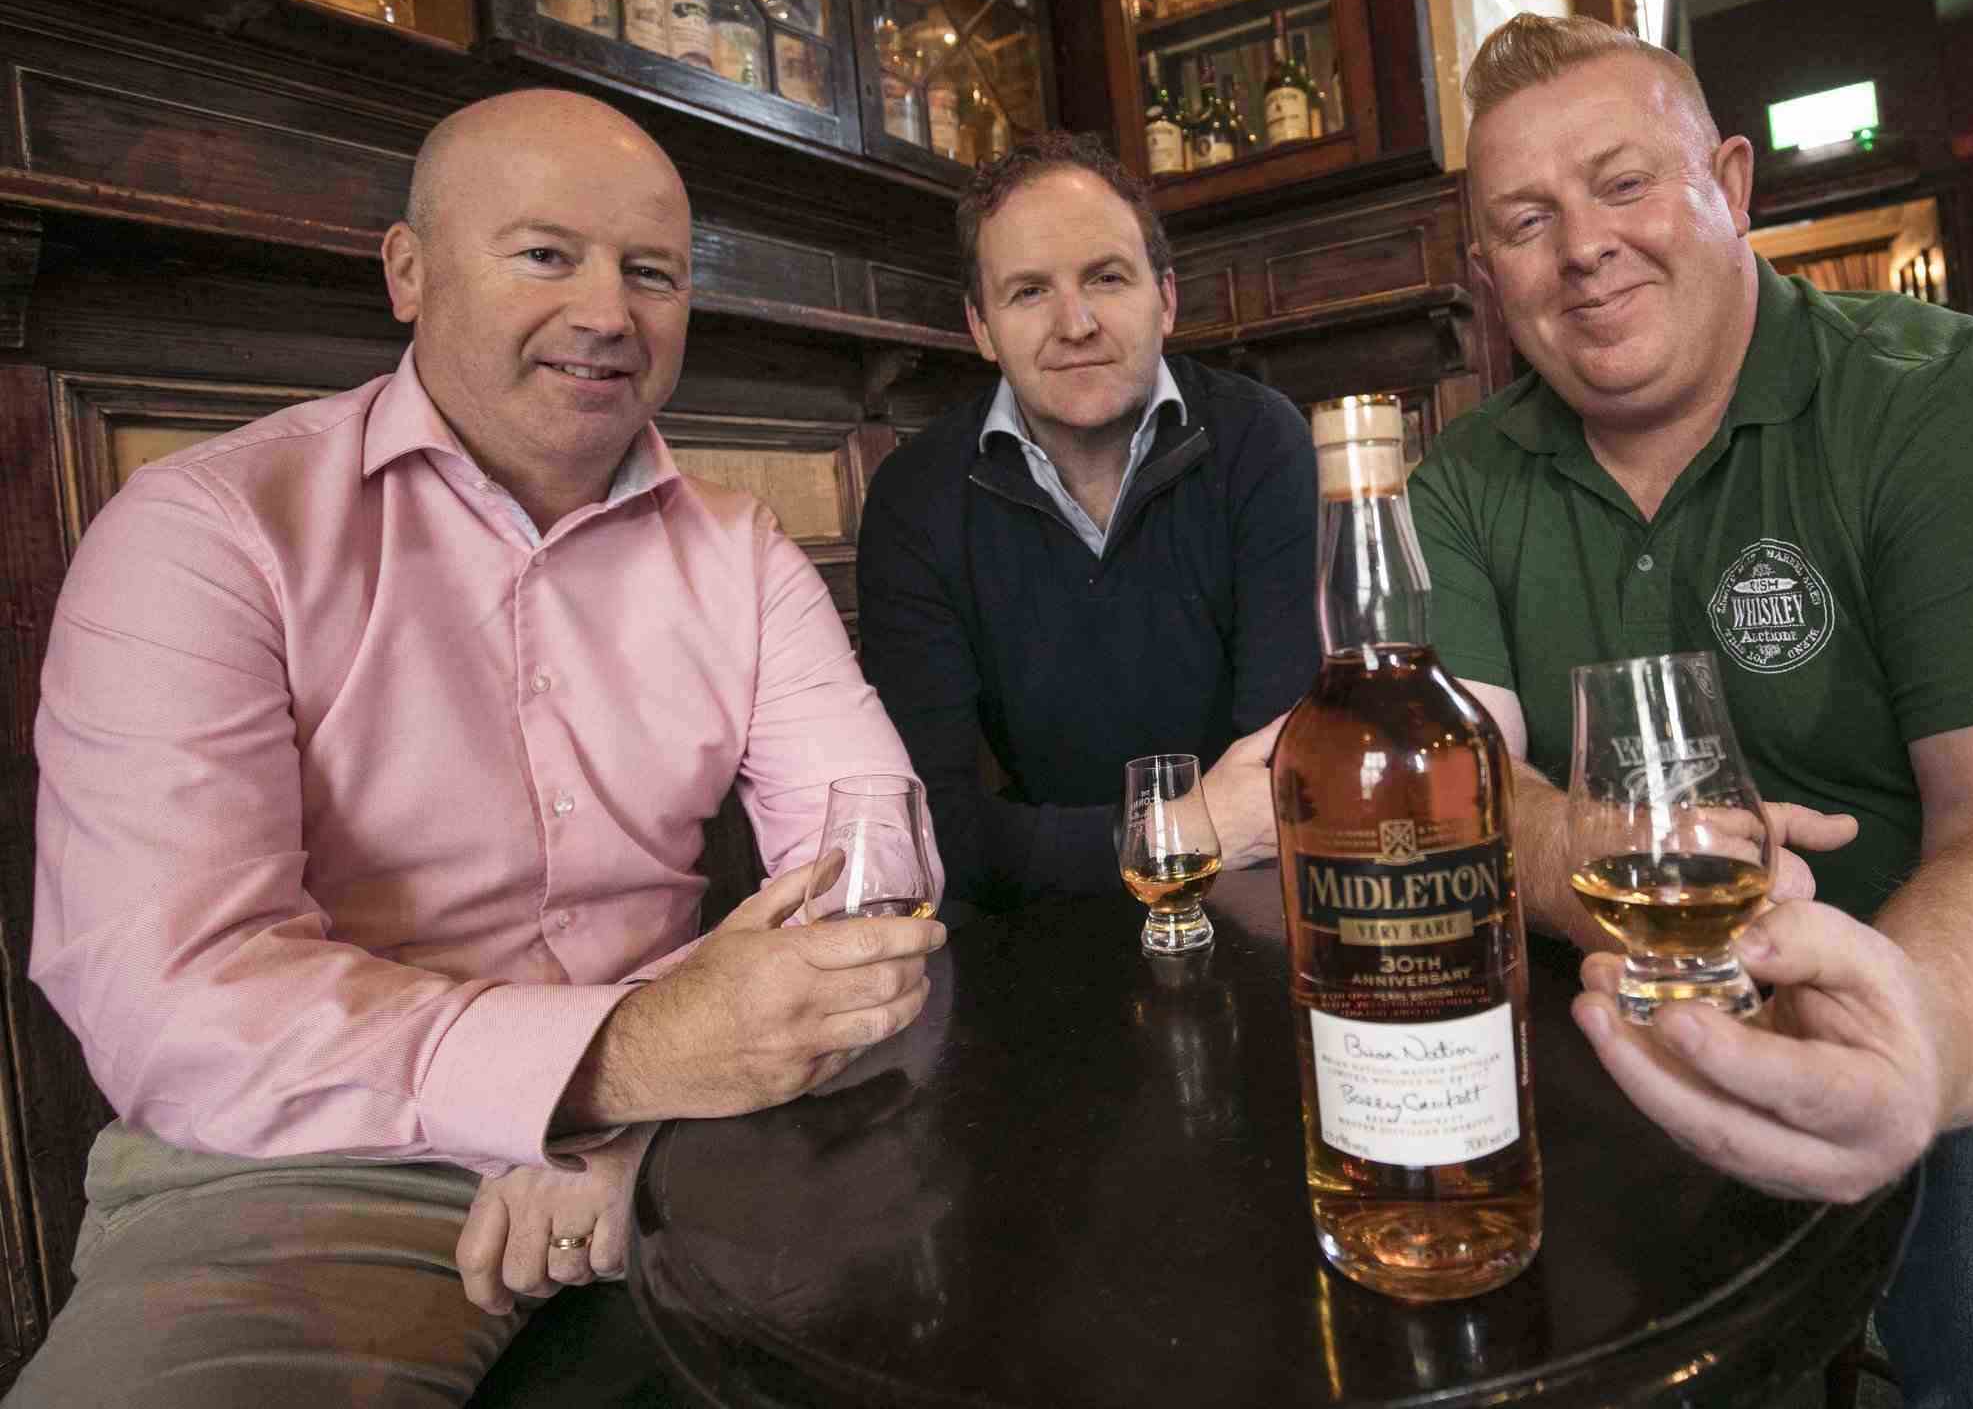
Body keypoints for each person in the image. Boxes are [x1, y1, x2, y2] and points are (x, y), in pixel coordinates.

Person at [14, 89, 948, 1406]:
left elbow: (874, 873)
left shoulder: (744, 554)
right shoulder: (205, 529)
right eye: (545, 254)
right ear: (409, 270)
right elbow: (174, 993)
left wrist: (645, 1123)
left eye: (652, 272)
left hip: (700, 1118)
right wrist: (608, 1059)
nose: (608, 312)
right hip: (302, 1167)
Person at [1409, 13, 1973, 1406]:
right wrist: (1643, 868)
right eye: (1526, 218)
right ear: (1490, 273)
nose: (1584, 246)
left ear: (1731, 184)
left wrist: (1913, 1022)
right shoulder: (1464, 481)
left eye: (1625, 182)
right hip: (1643, 995)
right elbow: (1463, 780)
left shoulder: (1953, 412)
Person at [855, 131, 1318, 909]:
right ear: (980, 327)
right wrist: (1188, 828)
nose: (1075, 323)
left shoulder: (1259, 440)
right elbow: (937, 831)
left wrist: (1051, 842)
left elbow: (1277, 790)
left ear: (1164, 298)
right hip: (1038, 938)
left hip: (1254, 911)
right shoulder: (914, 498)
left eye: (1106, 277)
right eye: (1029, 291)